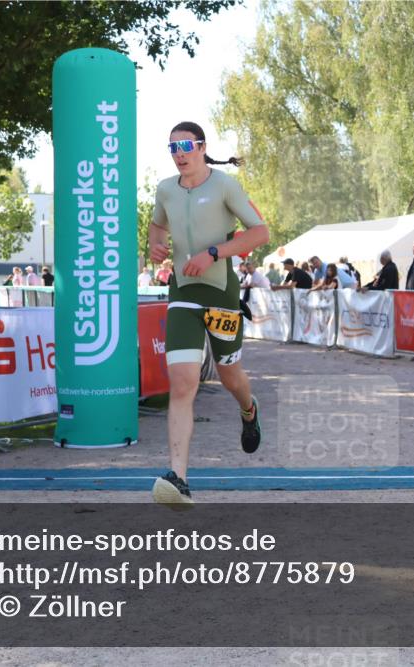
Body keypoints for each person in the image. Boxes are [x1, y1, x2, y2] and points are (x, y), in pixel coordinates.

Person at [147, 120, 269, 509]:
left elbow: (260, 232)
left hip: (220, 293)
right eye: (172, 148)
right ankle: (178, 479)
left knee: (230, 375)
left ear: (201, 147)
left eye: (185, 146)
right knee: (182, 383)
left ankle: (249, 412)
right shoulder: (165, 189)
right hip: (182, 292)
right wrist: (156, 246)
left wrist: (214, 253)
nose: (179, 153)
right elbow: (156, 224)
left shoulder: (224, 186)